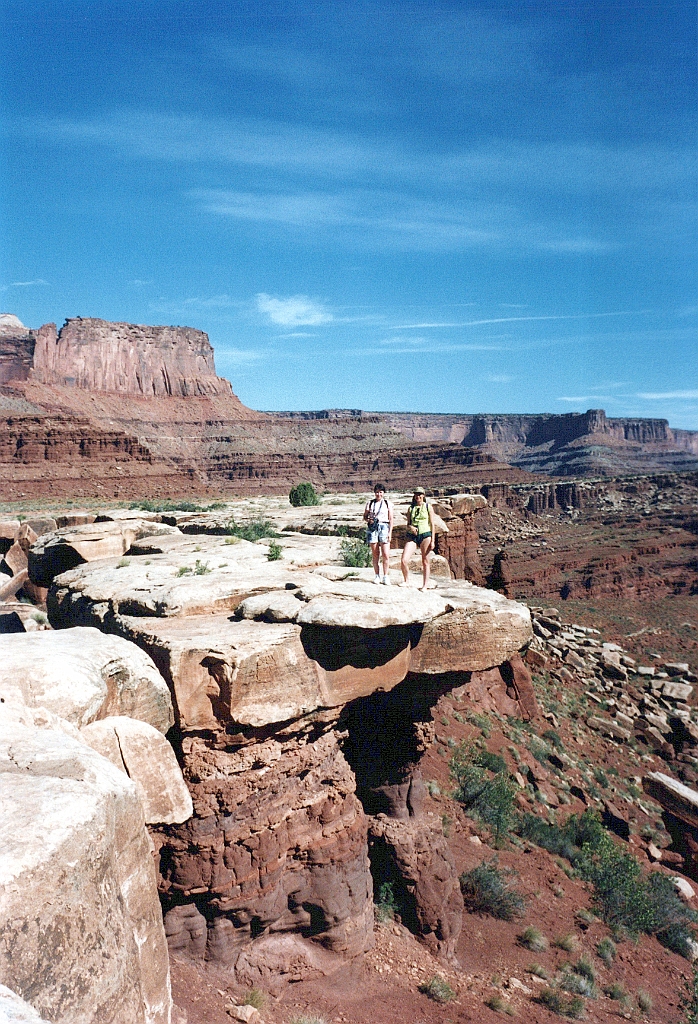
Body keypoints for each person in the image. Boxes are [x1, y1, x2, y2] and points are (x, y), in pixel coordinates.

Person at [400, 487, 435, 590]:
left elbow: (432, 524)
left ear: (423, 495)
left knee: (425, 561)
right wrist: (411, 527)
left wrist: (433, 541)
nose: (418, 496)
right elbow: (408, 524)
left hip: (425, 535)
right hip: (413, 536)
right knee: (404, 560)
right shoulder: (411, 508)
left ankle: (425, 585)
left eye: (420, 494)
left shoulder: (428, 507)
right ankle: (406, 581)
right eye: (416, 494)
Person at [363, 484, 394, 584]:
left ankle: (385, 576)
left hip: (384, 527)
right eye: (377, 492)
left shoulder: (387, 503)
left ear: (383, 493)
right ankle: (377, 576)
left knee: (385, 554)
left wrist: (390, 532)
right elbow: (365, 516)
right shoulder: (370, 503)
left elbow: (391, 519)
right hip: (373, 528)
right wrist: (369, 519)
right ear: (374, 492)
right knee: (375, 554)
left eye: (380, 492)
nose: (378, 494)